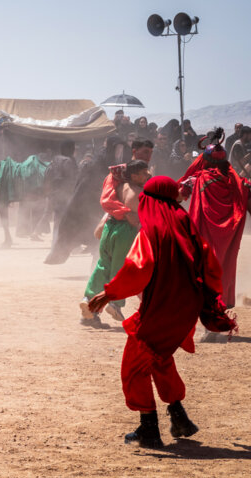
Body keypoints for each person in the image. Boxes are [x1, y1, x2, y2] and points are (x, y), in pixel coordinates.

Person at [88, 175, 237, 448]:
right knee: (159, 357)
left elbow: (138, 268)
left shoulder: (152, 230)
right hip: (184, 308)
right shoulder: (184, 223)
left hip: (162, 308)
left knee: (135, 365)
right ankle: (179, 417)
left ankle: (149, 428)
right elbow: (210, 264)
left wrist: (110, 293)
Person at [178, 129, 250, 329]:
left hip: (204, 239)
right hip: (226, 241)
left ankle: (210, 324)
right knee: (221, 273)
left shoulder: (197, 179)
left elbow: (177, 194)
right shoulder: (237, 183)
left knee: (202, 274)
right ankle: (215, 319)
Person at [80, 160, 151, 327]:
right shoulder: (135, 190)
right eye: (143, 173)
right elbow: (137, 218)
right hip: (125, 232)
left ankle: (88, 301)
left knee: (103, 266)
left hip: (109, 227)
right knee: (120, 269)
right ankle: (115, 304)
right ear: (134, 175)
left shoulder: (117, 187)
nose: (147, 175)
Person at [45, 135, 129, 265]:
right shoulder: (99, 162)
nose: (119, 152)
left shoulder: (118, 162)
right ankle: (96, 268)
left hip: (106, 204)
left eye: (121, 149)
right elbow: (87, 183)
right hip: (90, 203)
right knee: (97, 233)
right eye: (117, 149)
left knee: (103, 236)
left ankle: (98, 266)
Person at [44, 140, 78, 245]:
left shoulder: (55, 159)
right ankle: (68, 244)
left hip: (55, 195)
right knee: (69, 220)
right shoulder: (68, 161)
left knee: (57, 220)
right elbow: (72, 180)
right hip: (66, 195)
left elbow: (48, 175)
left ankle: (55, 243)